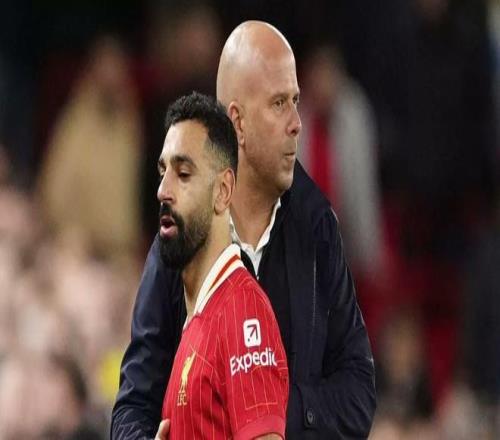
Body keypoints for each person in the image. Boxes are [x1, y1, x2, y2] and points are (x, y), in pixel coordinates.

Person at [112, 21, 376, 439]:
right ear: (236, 121)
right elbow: (133, 403)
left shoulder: (316, 223)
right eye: (279, 104)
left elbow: (358, 391)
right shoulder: (182, 228)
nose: (297, 123)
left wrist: (264, 404)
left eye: (296, 101)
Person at [155, 91, 288, 439]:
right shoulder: (199, 321)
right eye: (163, 171)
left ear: (223, 191)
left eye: (183, 173)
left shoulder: (242, 311)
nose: (163, 191)